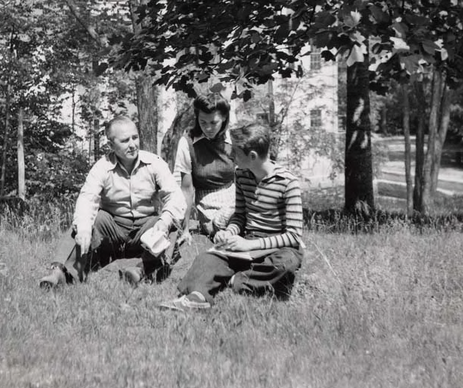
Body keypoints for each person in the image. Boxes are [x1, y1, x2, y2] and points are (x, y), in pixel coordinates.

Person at [160, 121, 304, 312]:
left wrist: (251, 245)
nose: (231, 155)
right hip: (248, 241)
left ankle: (236, 280)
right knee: (206, 258)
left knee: (285, 264)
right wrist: (229, 231)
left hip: (279, 247)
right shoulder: (242, 175)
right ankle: (197, 296)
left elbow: (294, 236)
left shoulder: (288, 183)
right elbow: (240, 215)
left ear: (252, 156)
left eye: (235, 152)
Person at [40, 115, 187, 288]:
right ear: (111, 145)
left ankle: (140, 271)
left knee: (172, 226)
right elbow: (87, 199)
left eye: (135, 137)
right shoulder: (102, 167)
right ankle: (60, 274)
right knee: (84, 223)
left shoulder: (154, 163)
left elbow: (175, 196)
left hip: (146, 230)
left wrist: (164, 221)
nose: (132, 144)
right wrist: (84, 230)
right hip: (113, 228)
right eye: (125, 140)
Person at [172, 92, 237, 239]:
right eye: (203, 122)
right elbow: (186, 189)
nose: (208, 128)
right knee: (225, 224)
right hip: (208, 205)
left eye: (214, 123)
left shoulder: (233, 139)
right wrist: (186, 229)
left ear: (224, 118)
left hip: (234, 199)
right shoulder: (188, 142)